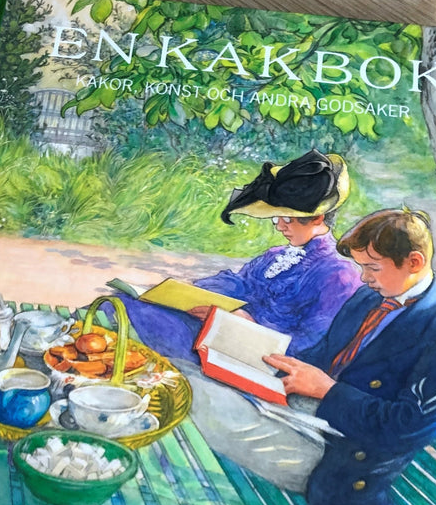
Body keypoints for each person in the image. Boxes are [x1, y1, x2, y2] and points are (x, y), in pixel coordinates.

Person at [264, 208, 436, 505]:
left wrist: (327, 391)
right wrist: (272, 363)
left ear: (414, 262)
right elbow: (324, 353)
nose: (364, 278)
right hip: (309, 421)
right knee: (219, 393)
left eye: (372, 267)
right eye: (362, 267)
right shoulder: (370, 297)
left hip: (345, 467)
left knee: (216, 412)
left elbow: (404, 427)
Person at [112, 149, 361, 360]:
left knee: (138, 317)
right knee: (127, 303)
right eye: (276, 217)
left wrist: (245, 324)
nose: (278, 226)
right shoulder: (275, 256)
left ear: (317, 218)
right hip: (220, 328)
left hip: (253, 353)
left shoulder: (339, 274)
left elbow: (309, 343)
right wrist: (189, 294)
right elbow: (238, 283)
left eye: (286, 218)